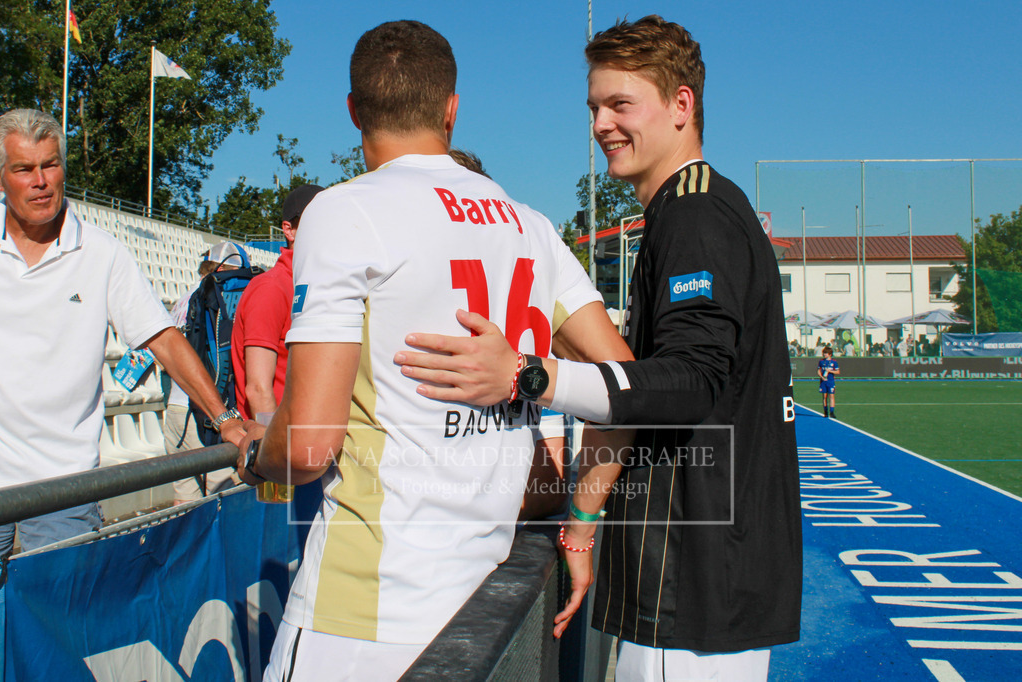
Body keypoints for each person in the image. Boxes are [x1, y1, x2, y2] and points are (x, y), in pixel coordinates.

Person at [395, 16, 801, 681]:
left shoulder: (695, 215)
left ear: (681, 106)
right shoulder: (687, 210)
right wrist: (583, 520)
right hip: (698, 581)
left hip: (693, 587)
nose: (601, 125)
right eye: (594, 107)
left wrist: (531, 376)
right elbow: (643, 386)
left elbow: (688, 383)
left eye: (620, 104)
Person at [234, 21, 620, 681]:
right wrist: (582, 512)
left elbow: (306, 448)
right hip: (485, 613)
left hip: (364, 615)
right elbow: (631, 385)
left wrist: (254, 455)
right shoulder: (532, 227)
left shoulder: (345, 210)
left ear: (354, 111)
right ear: (451, 108)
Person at [0, 108, 245, 559]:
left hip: (64, 487)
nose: (41, 180)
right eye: (23, 169)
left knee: (63, 624)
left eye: (50, 164)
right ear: (1, 179)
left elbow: (165, 340)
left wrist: (224, 420)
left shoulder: (102, 253)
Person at [231, 184, 323, 421]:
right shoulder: (271, 288)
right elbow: (258, 390)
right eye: (316, 220)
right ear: (289, 230)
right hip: (284, 445)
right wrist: (275, 452)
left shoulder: (319, 285)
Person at [166, 241, 248, 503]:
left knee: (184, 506)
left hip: (177, 409)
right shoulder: (222, 297)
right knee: (223, 501)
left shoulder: (182, 299)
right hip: (211, 414)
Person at [818, 345, 840, 418]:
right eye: (824, 353)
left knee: (831, 396)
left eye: (826, 353)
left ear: (830, 354)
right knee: (824, 397)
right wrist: (821, 377)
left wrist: (830, 371)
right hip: (823, 381)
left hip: (830, 381)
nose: (824, 354)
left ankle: (832, 412)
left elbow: (838, 372)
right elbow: (818, 370)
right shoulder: (821, 361)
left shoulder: (834, 362)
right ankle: (825, 412)